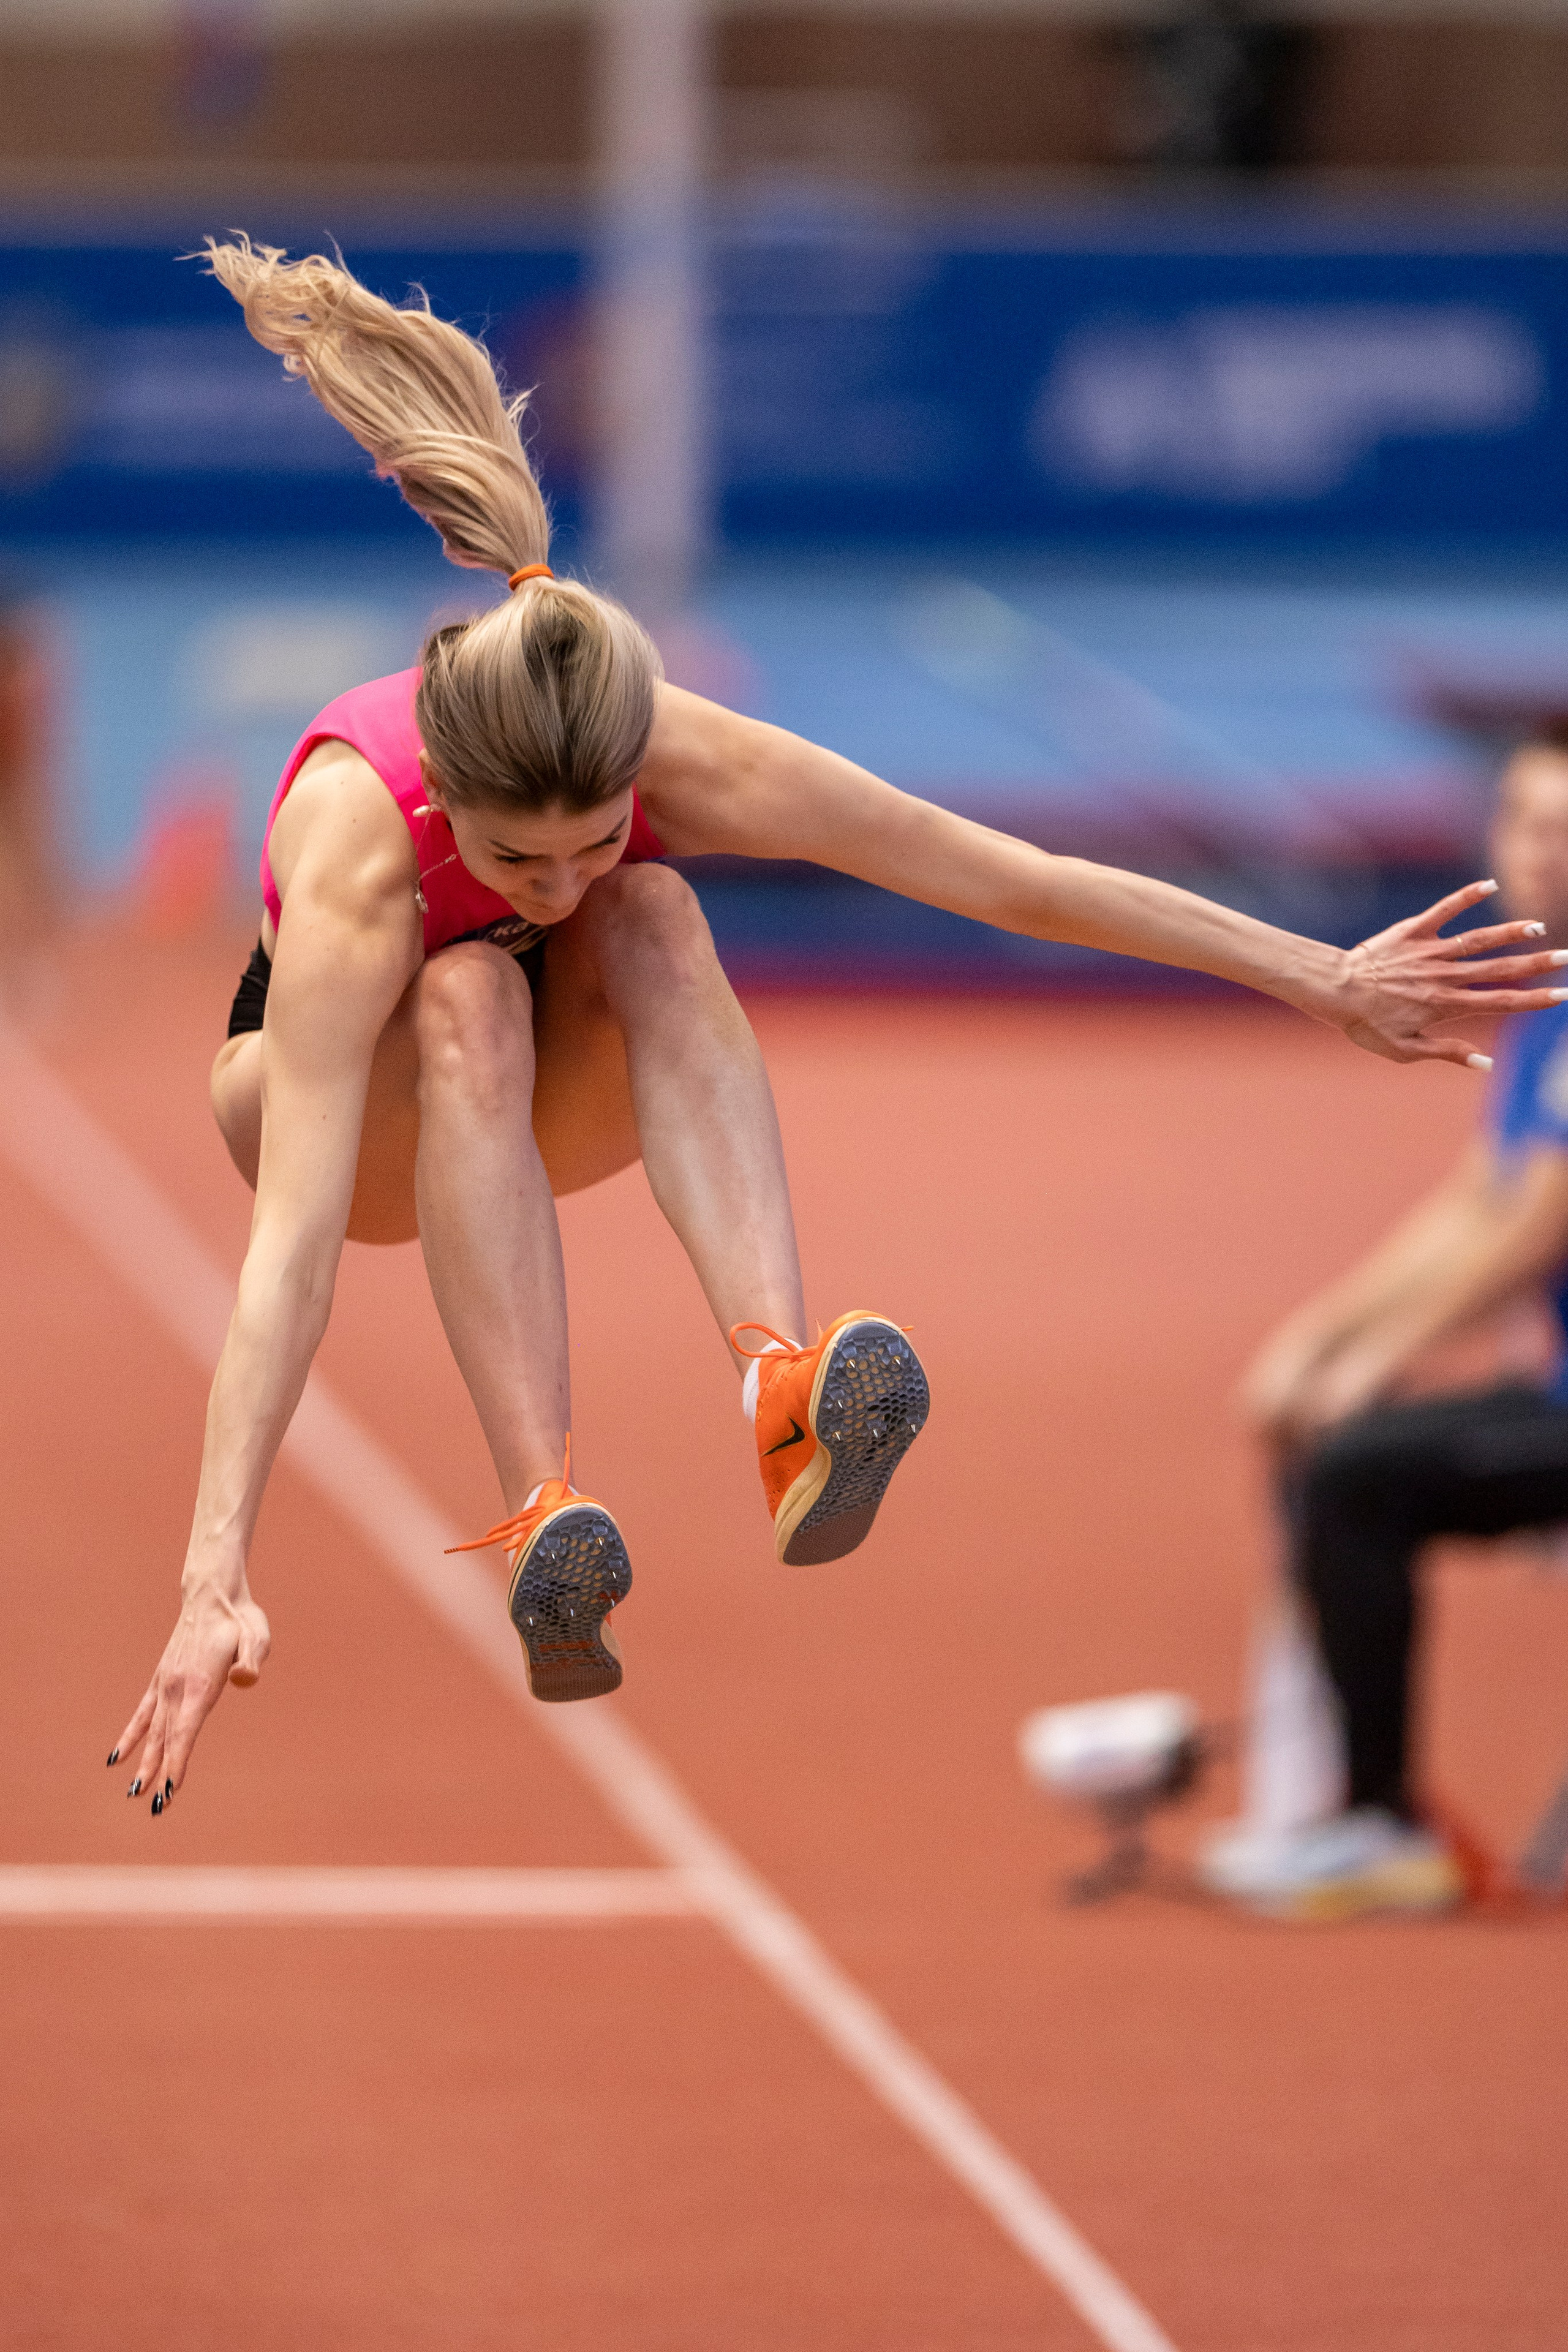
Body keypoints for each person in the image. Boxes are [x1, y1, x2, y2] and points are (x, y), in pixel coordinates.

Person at [108, 238, 1567, 1814]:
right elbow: (294, 1247)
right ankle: (540, 1507)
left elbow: (1015, 880)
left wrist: (1321, 978)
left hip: (547, 1092)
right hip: (337, 1114)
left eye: (589, 838)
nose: (551, 885)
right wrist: (213, 1570)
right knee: (468, 991)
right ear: (444, 798)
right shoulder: (357, 846)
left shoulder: (680, 754)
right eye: (511, 857)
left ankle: (783, 1387)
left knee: (657, 920)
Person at [1210, 734, 1568, 1920]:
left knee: (1357, 1476)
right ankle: (1325, 1800)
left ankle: (1370, 1825)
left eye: (1563, 830)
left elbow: (1533, 1229)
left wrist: (1373, 1362)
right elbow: (1481, 1199)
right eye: (1523, 821)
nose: (1539, 851)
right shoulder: (1543, 1012)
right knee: (1337, 1443)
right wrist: (1323, 1334)